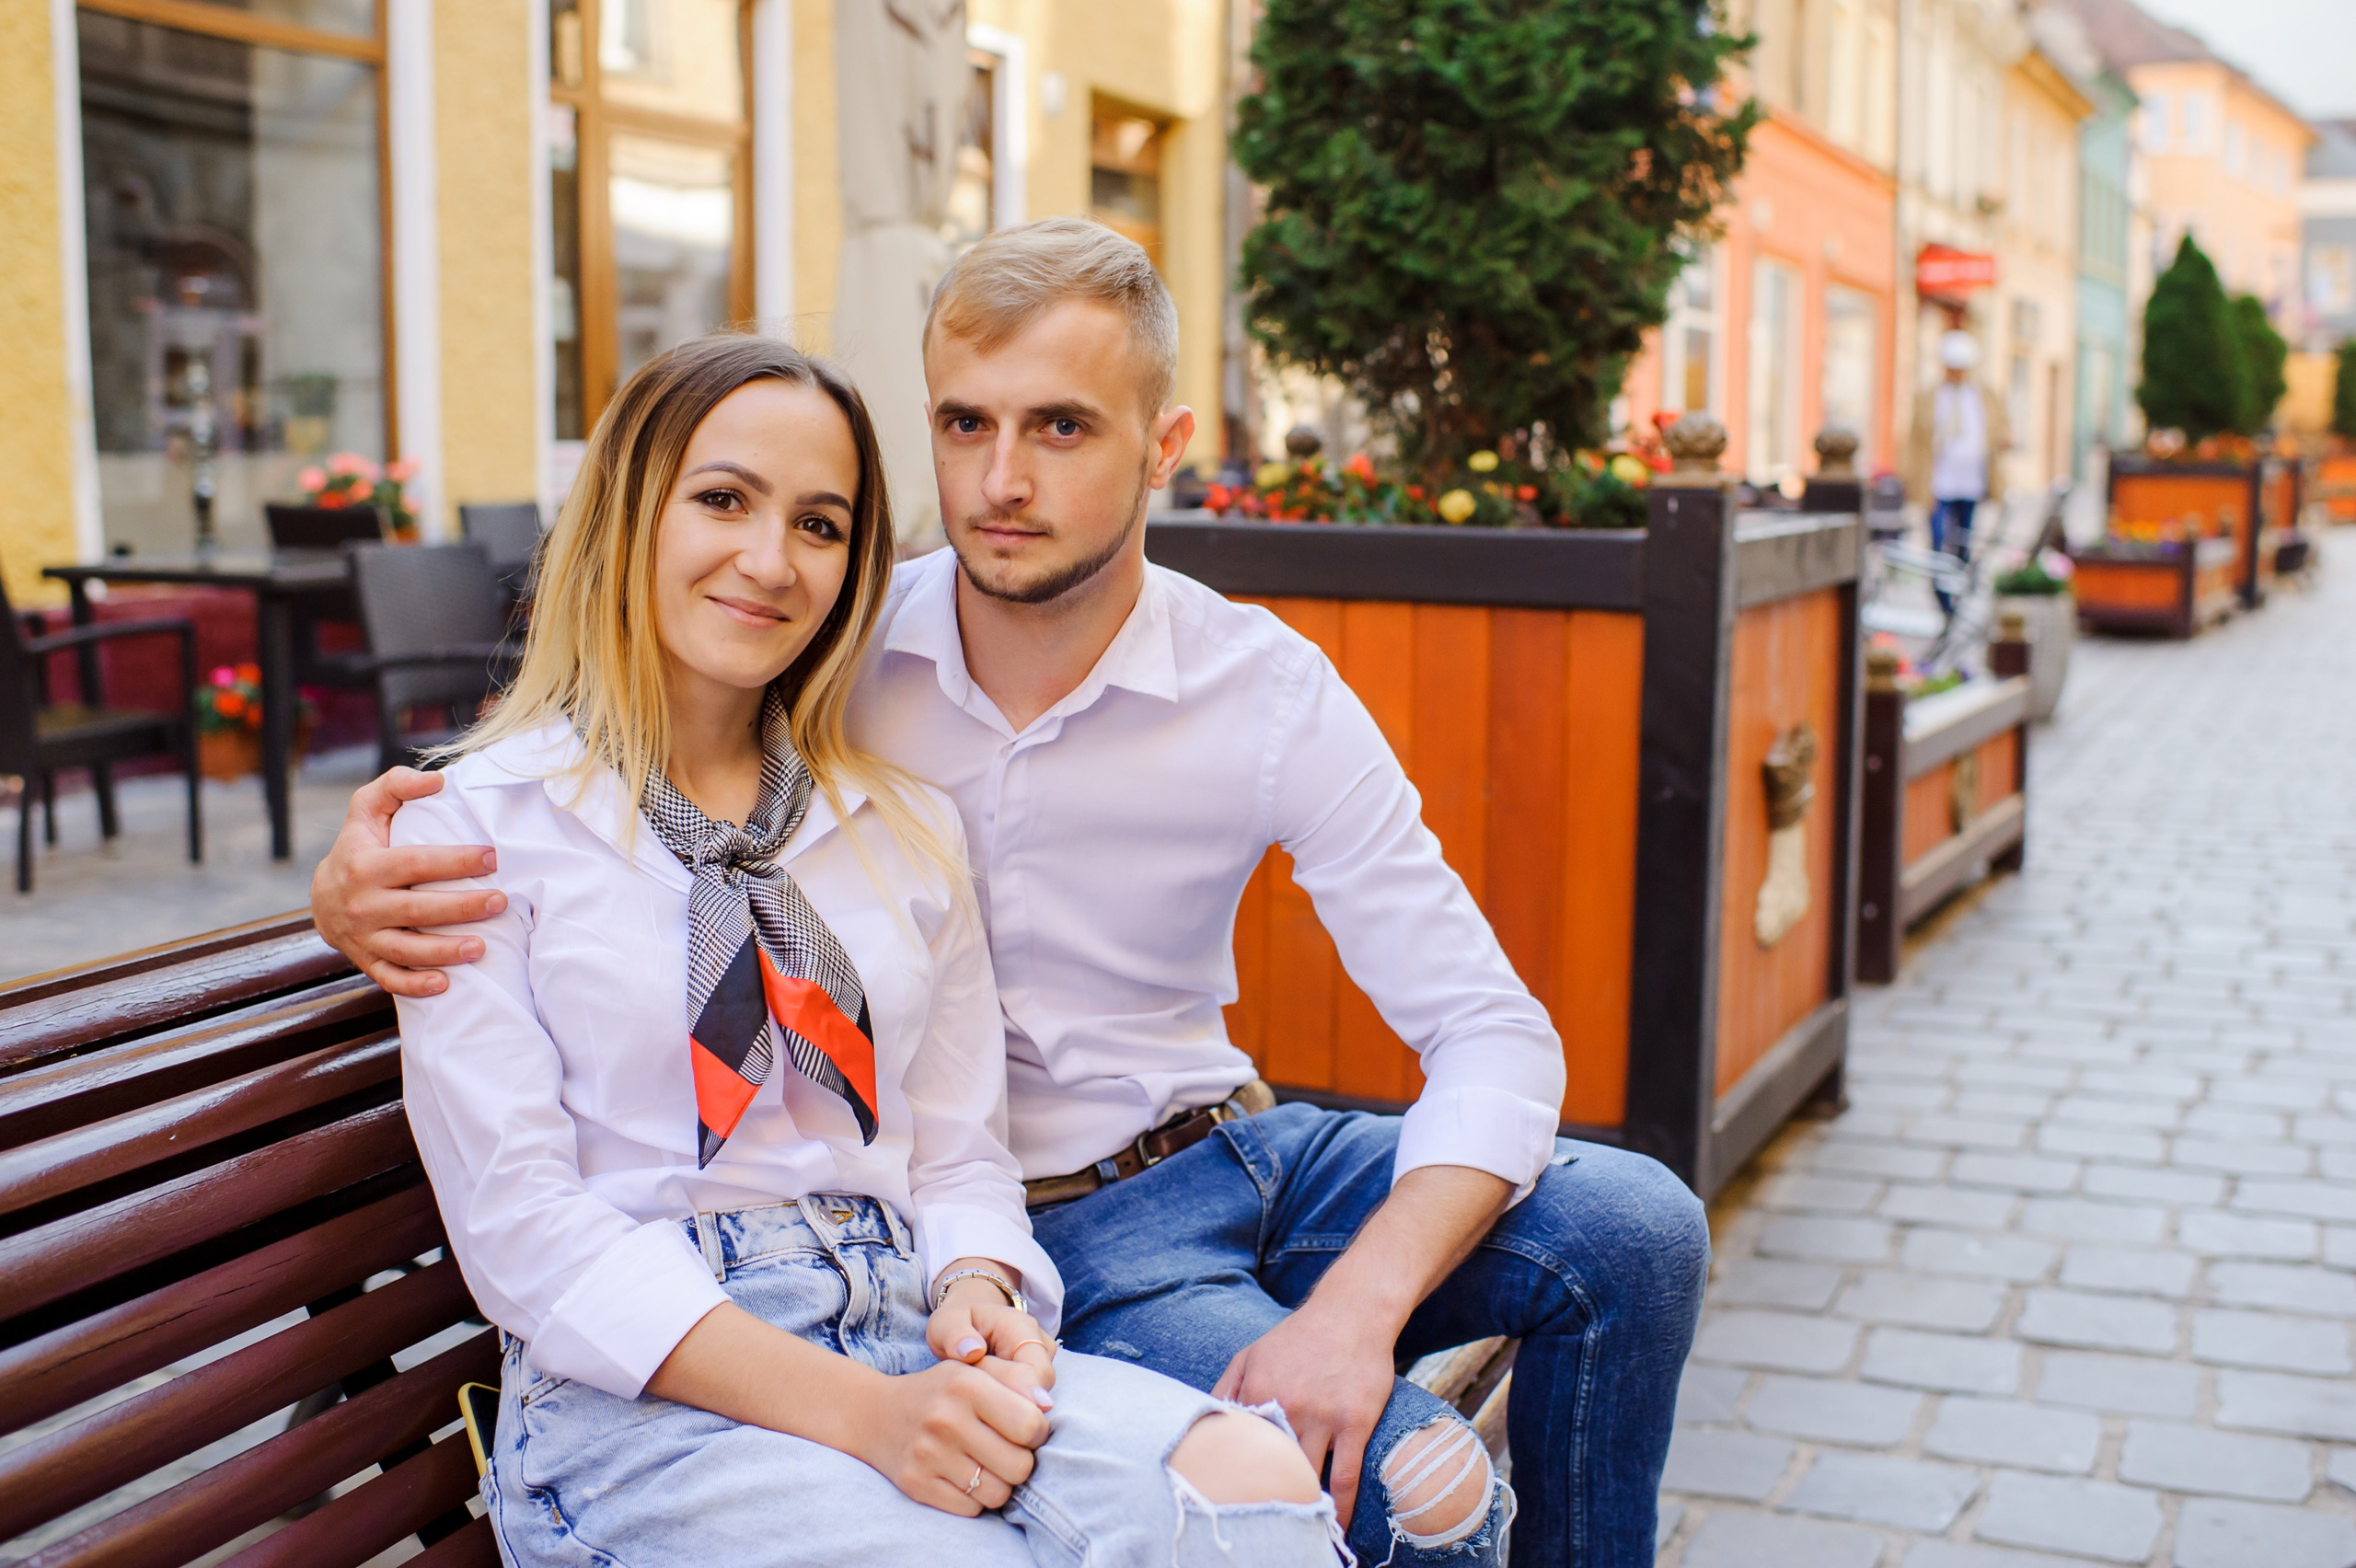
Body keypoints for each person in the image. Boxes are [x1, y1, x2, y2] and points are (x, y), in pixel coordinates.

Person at [316, 219, 1710, 1568]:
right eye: (964, 424)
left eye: (1060, 426)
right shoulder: (821, 654)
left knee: (1638, 1234)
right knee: (1415, 1490)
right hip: (1040, 1241)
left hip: (1220, 1146)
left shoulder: (1246, 692)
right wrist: (352, 887)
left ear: (1164, 447)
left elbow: (1494, 1032)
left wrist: (1360, 1308)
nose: (1000, 480)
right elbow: (609, 748)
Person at [389, 329, 1345, 1567]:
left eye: (822, 525)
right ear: (630, 511)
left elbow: (957, 1156)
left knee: (1258, 1490)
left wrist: (980, 1294)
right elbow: (523, 1227)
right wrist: (873, 1420)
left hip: (906, 1325)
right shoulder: (483, 832)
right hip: (650, 1406)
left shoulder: (897, 828)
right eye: (724, 499)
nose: (770, 560)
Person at [1904, 328, 2011, 611]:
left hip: (1971, 482)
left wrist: (2003, 440)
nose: (1957, 374)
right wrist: (1912, 484)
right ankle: (1943, 604)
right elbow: (1914, 442)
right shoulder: (1930, 396)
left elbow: (2001, 427)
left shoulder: (1983, 395)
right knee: (1938, 540)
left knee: (1964, 540)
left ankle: (1958, 596)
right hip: (1938, 483)